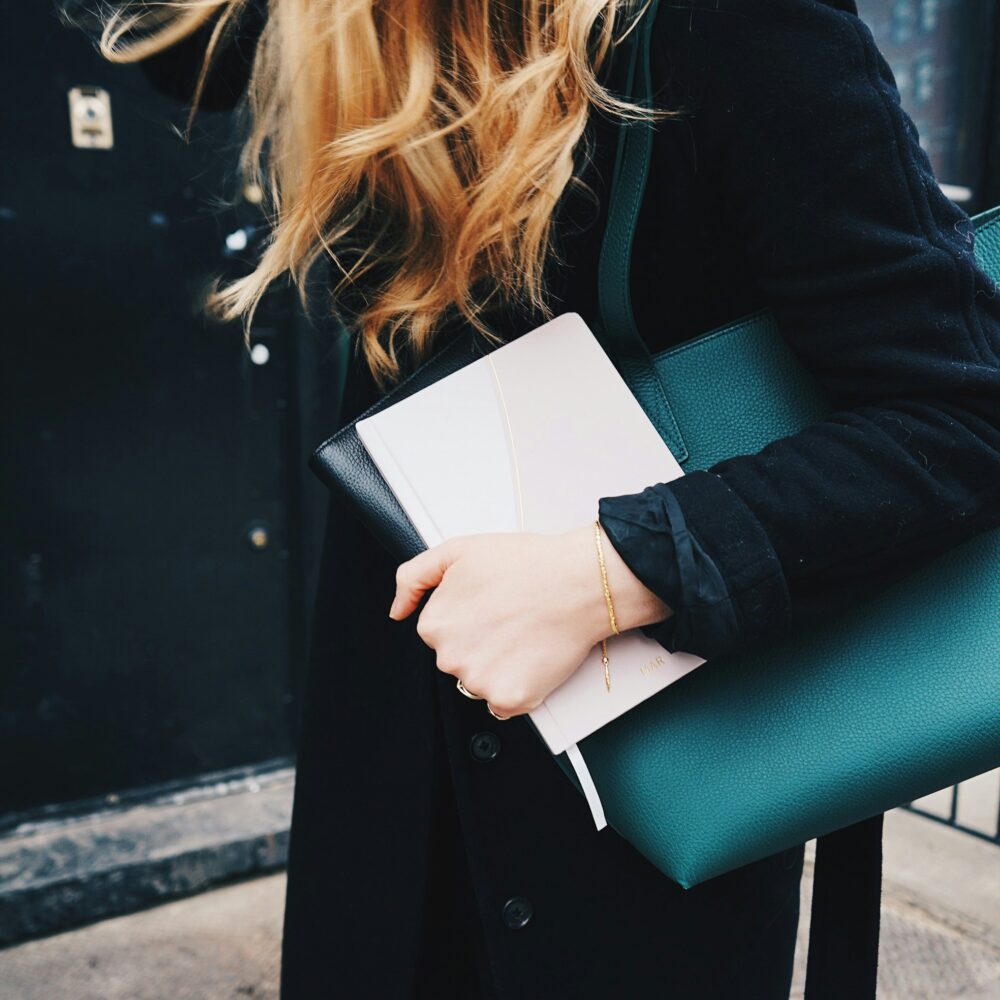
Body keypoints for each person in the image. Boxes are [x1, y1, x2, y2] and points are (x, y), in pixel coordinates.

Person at [90, 0, 1000, 996]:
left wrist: (611, 571)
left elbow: (964, 419)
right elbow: (181, 55)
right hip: (399, 703)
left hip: (644, 757)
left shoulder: (738, 25)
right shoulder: (351, 28)